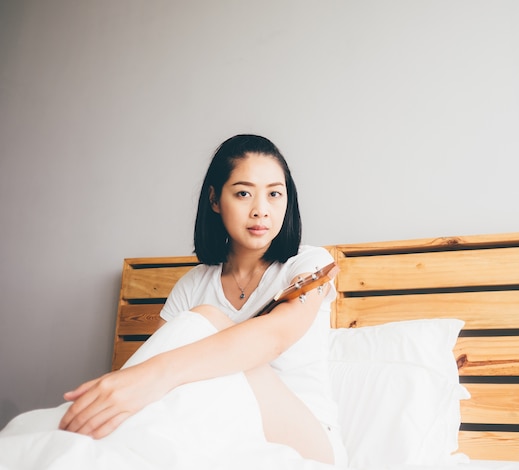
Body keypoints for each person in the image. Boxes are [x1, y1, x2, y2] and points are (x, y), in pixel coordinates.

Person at [55, 134, 347, 466]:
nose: (261, 210)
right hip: (214, 425)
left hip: (305, 438)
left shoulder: (309, 265)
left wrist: (153, 375)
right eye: (243, 193)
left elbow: (274, 337)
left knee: (206, 318)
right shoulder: (192, 285)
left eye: (274, 194)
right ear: (214, 200)